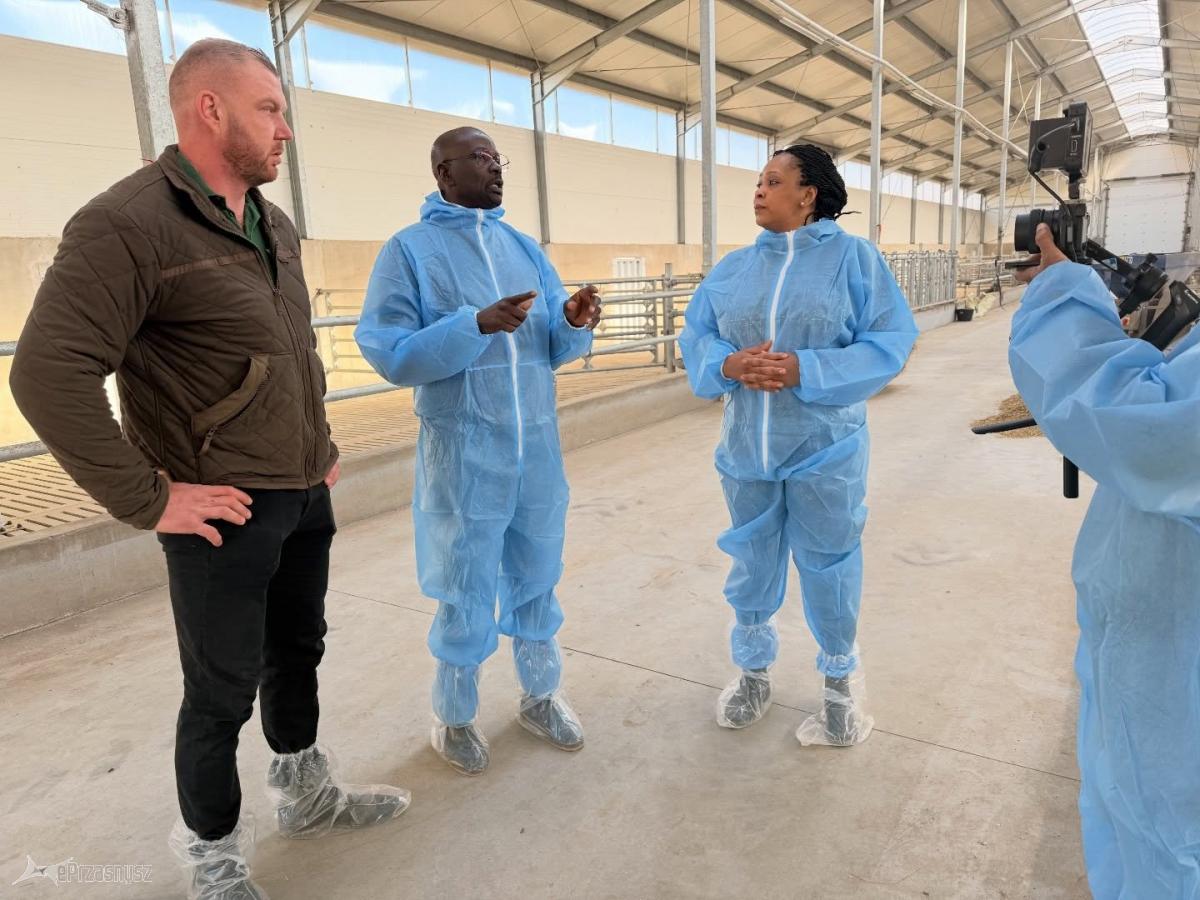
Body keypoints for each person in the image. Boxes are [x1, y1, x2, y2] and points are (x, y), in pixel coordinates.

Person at [9, 39, 409, 899]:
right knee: (220, 690)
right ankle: (214, 854)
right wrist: (148, 498)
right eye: (270, 110)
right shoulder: (126, 224)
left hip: (301, 489)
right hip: (218, 505)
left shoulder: (273, 224)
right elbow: (46, 373)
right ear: (210, 109)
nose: (285, 130)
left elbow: (287, 351)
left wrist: (319, 449)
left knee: (297, 652)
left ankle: (306, 795)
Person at [354, 127, 601, 776]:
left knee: (538, 574)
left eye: (498, 159)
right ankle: (455, 715)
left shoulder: (523, 247)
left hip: (535, 451)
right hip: (466, 455)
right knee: (465, 585)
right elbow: (390, 353)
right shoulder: (409, 251)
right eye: (481, 158)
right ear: (444, 172)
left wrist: (572, 319)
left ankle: (541, 696)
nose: (496, 169)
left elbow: (551, 347)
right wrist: (473, 324)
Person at [679, 144, 917, 746]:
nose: (758, 191)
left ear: (808, 194)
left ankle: (839, 687)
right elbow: (697, 335)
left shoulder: (853, 259)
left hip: (825, 448)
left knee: (829, 563)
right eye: (758, 181)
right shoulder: (735, 268)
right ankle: (753, 674)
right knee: (752, 562)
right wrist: (728, 364)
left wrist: (804, 369)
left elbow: (889, 340)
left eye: (773, 181)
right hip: (747, 448)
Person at [1010, 223, 1200, 897]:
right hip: (1164, 625)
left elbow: (1146, 428)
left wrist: (1063, 297)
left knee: (1168, 838)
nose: (761, 190)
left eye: (775, 178)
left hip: (1177, 649)